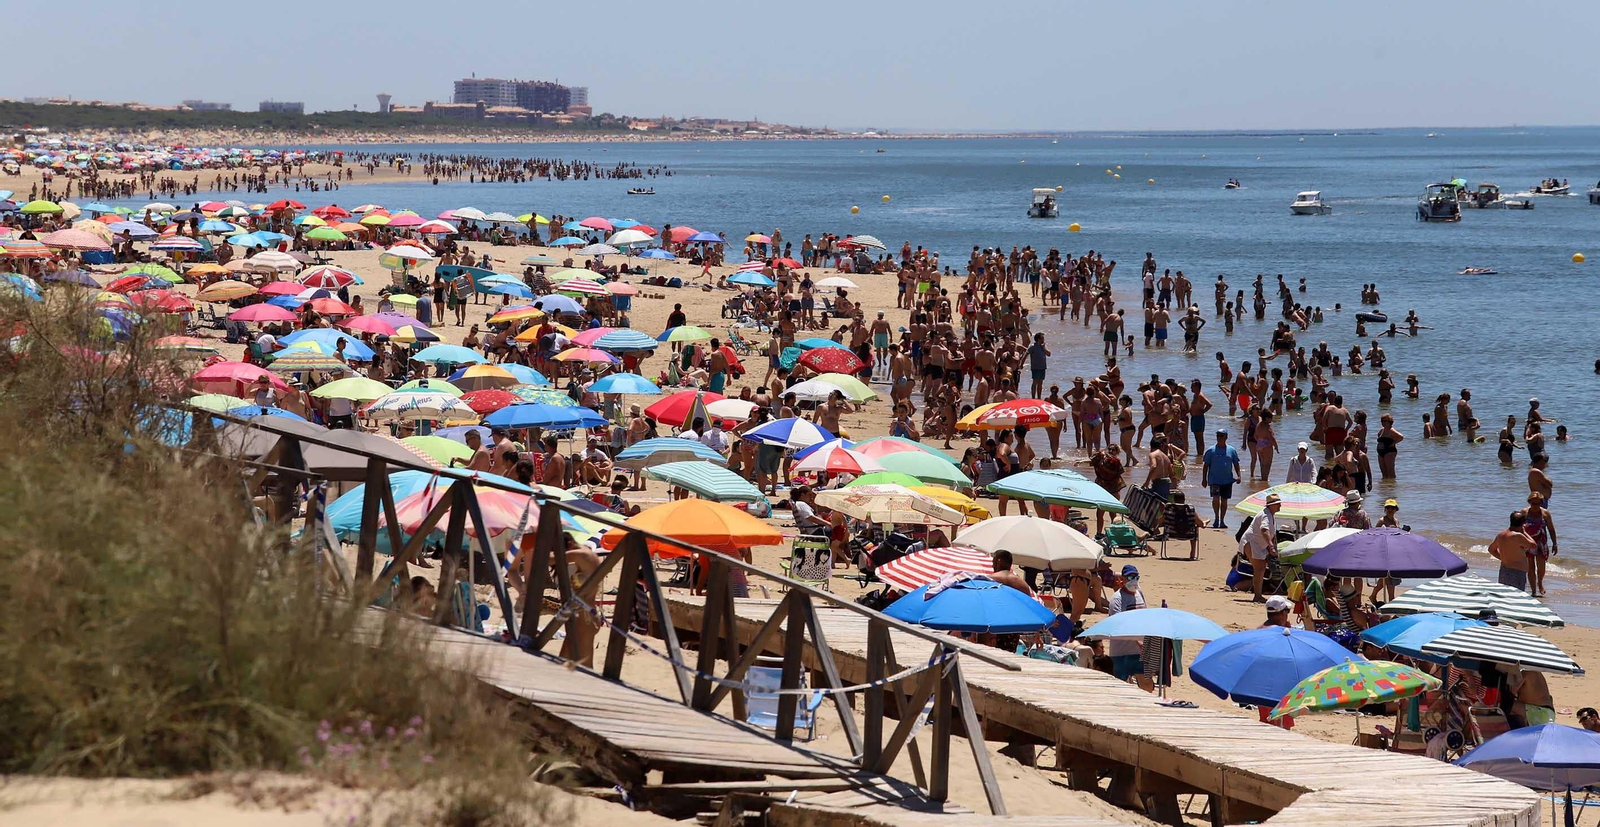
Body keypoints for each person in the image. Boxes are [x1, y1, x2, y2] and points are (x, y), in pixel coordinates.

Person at [1106, 566, 1152, 690]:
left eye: (1136, 577)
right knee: (1120, 685)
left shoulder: (1139, 593)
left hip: (1139, 652)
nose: (1134, 580)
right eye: (1131, 577)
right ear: (1122, 579)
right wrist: (1136, 640)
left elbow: (1145, 616)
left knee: (1147, 683)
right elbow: (1118, 624)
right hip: (1121, 652)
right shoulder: (1117, 599)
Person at [1243, 494, 1282, 602]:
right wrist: (1271, 546)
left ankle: (1258, 595)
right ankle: (1257, 595)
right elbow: (1264, 530)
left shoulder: (1269, 514)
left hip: (1257, 544)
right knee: (1259, 568)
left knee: (1260, 569)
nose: (1280, 506)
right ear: (1271, 505)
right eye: (1278, 504)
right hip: (1252, 542)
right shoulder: (1266, 515)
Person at [1201, 429, 1241, 528]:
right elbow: (1206, 465)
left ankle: (1222, 520)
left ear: (1226, 437)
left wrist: (1239, 475)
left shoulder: (1231, 450)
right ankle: (1216, 518)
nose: (1219, 438)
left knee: (1224, 501)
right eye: (1218, 435)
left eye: (1221, 436)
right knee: (1215, 498)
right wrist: (1204, 479)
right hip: (1214, 479)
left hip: (1227, 480)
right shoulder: (1211, 450)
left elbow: (1236, 463)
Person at [1488, 510, 1535, 593]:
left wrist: (1502, 558)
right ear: (1523, 523)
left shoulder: (1501, 535)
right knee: (1516, 599)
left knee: (1504, 597)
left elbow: (1491, 549)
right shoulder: (1518, 536)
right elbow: (1533, 545)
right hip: (1517, 572)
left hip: (1504, 570)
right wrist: (1524, 532)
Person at [1524, 492, 1556, 598]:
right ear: (1529, 502)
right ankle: (1533, 590)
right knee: (1530, 567)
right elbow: (1518, 528)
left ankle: (1540, 583)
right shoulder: (1524, 512)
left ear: (1541, 503)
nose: (1535, 506)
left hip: (1541, 542)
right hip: (1528, 542)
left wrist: (1555, 543)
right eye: (1533, 503)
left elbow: (1551, 529)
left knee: (1541, 566)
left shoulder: (1545, 514)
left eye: (1538, 504)